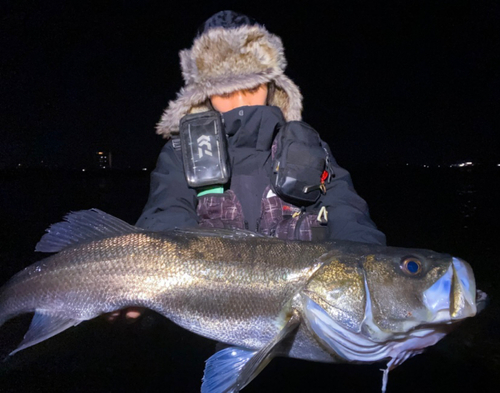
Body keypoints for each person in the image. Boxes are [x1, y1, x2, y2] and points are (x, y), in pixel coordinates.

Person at [136, 10, 386, 246]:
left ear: (271, 87)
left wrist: (367, 259)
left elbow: (348, 215)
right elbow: (165, 220)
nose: (241, 102)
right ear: (206, 96)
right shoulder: (181, 153)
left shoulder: (310, 147)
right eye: (225, 91)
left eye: (252, 87)